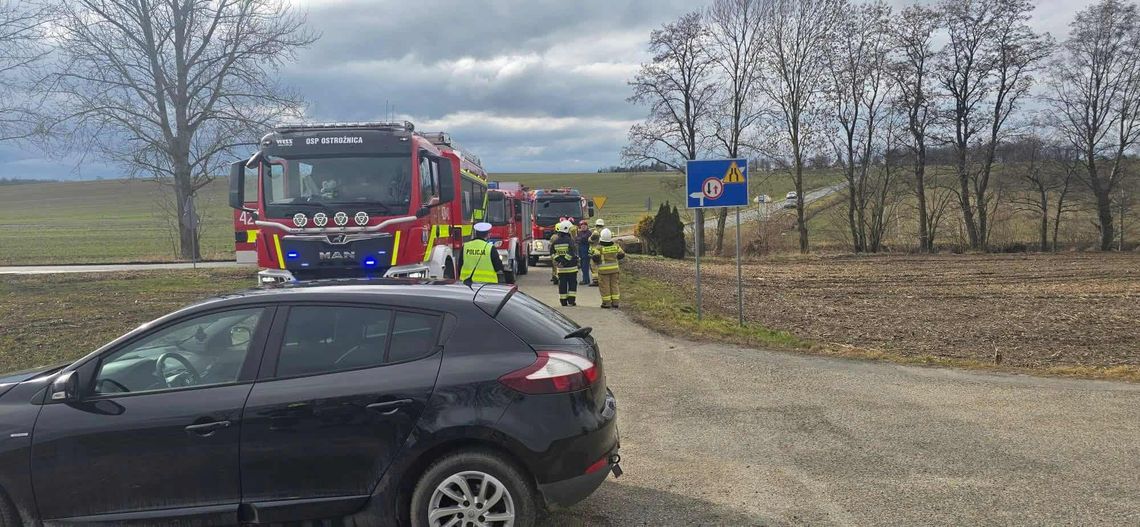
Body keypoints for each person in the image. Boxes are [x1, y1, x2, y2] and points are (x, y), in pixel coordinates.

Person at [591, 228, 625, 308]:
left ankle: (606, 303)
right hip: (615, 269)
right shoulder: (615, 246)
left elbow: (595, 258)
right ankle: (615, 302)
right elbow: (622, 254)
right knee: (614, 285)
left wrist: (597, 262)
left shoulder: (599, 247)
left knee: (605, 286)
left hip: (603, 271)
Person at [551, 220, 579, 306]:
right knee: (572, 284)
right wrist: (565, 261)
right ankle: (571, 301)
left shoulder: (555, 242)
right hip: (571, 268)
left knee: (562, 284)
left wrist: (559, 261)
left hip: (561, 269)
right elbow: (572, 253)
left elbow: (552, 253)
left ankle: (563, 301)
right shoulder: (570, 241)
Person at [589, 218, 605, 286]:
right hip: (603, 251)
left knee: (593, 266)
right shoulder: (605, 232)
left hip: (595, 251)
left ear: (596, 225)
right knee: (601, 265)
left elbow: (590, 240)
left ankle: (595, 281)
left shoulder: (595, 232)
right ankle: (602, 280)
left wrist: (589, 239)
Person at [577, 219, 592, 285]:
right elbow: (576, 239)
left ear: (587, 226)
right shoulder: (579, 233)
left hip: (586, 252)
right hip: (581, 252)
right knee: (583, 267)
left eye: (584, 225)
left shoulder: (589, 233)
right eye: (582, 225)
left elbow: (584, 239)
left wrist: (579, 239)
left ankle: (585, 280)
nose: (583, 227)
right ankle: (585, 279)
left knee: (585, 267)